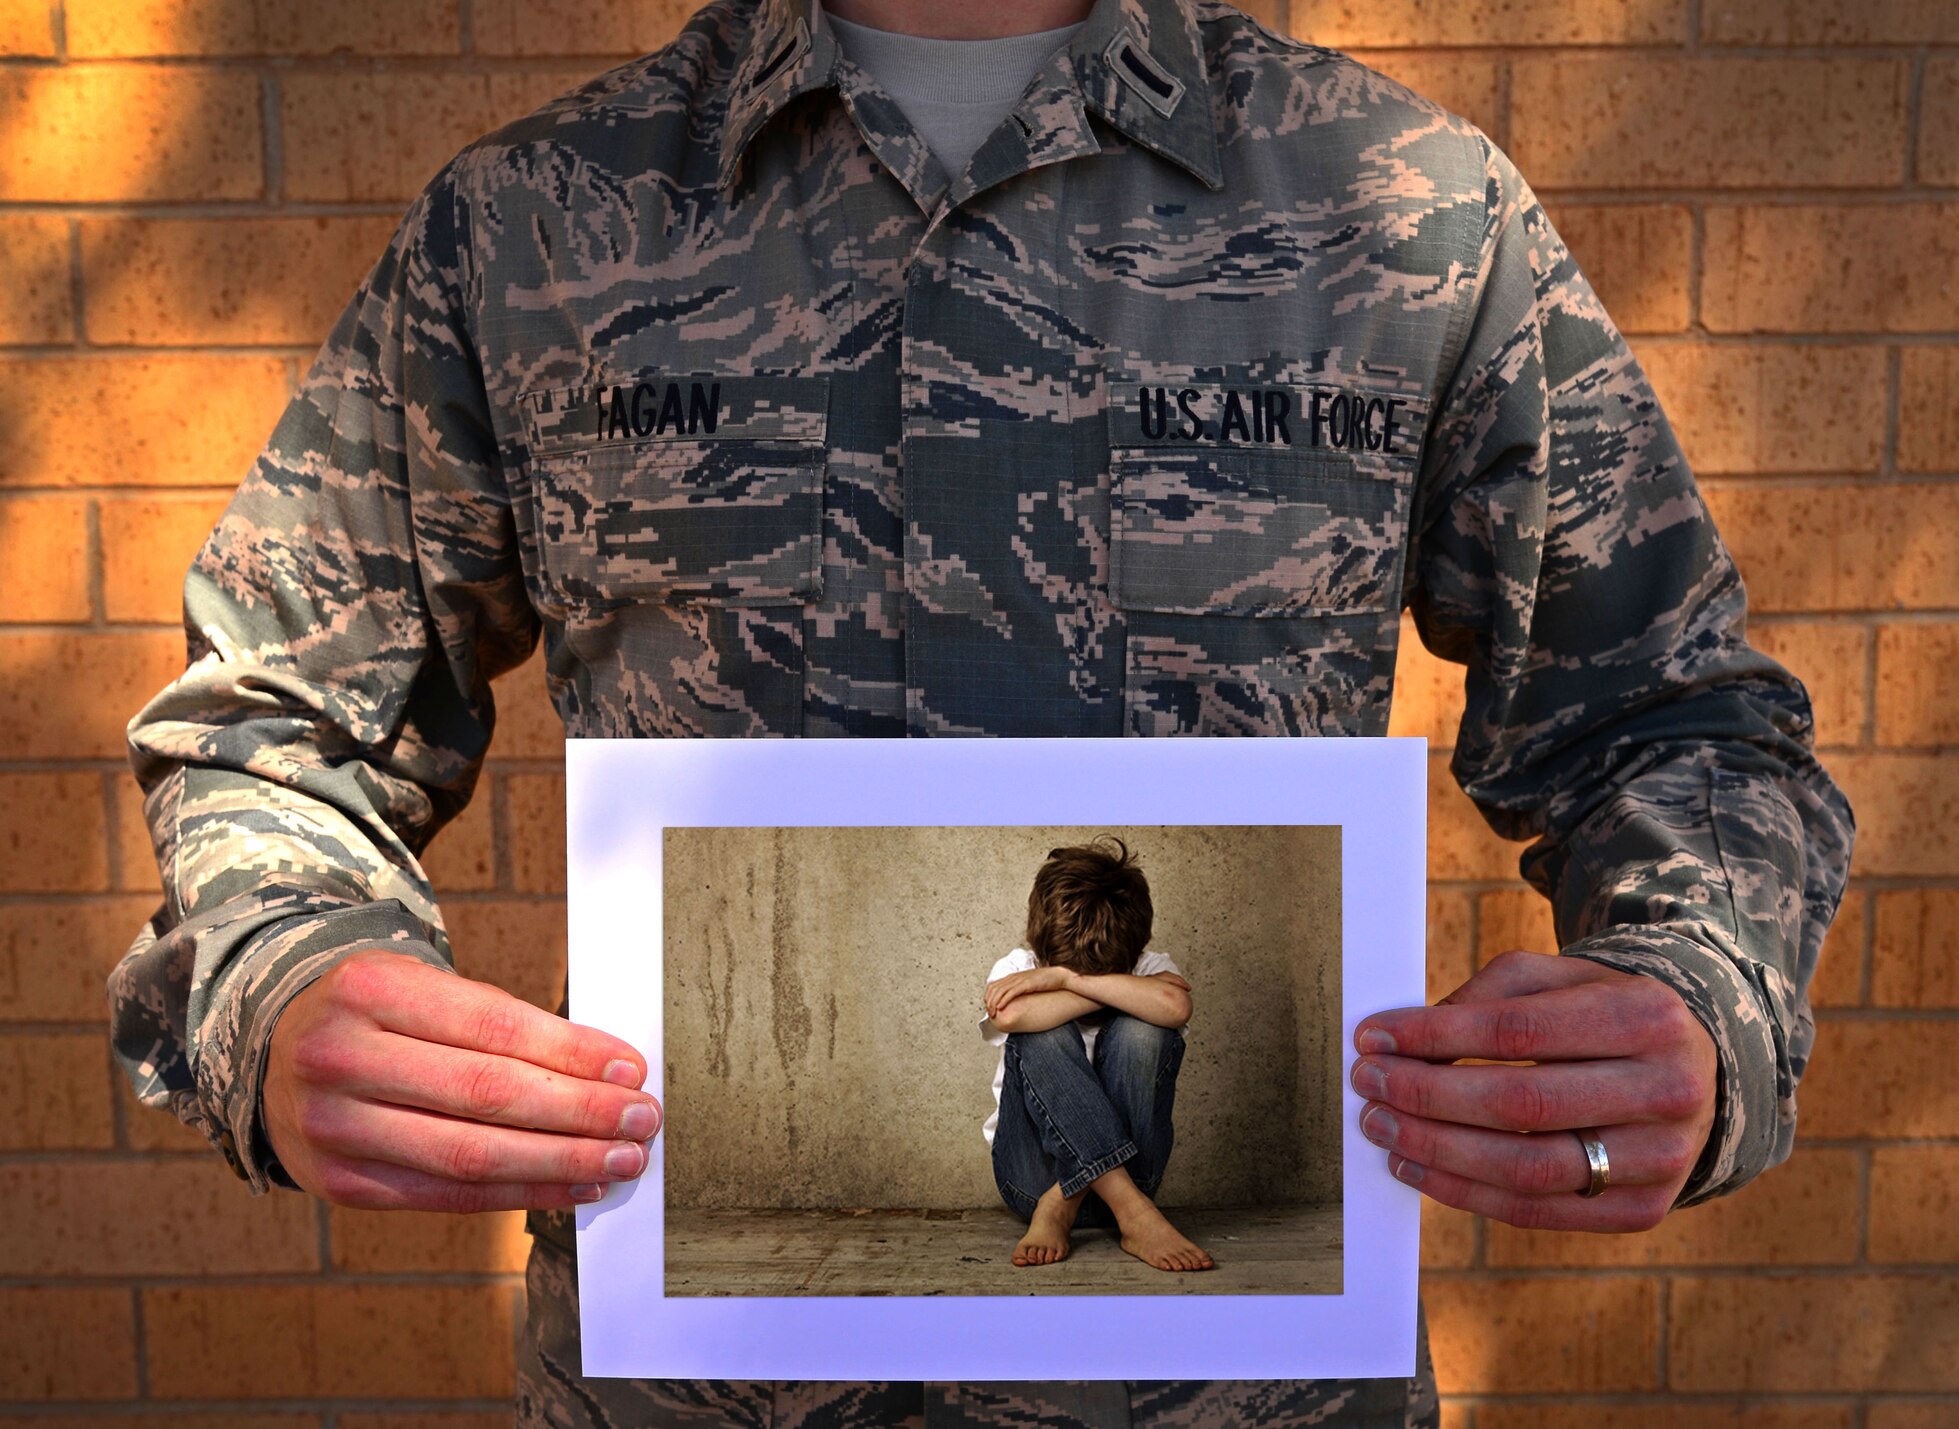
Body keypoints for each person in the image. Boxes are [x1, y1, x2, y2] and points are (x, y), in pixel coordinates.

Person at [103, 0, 1857, 1422]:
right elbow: (277, 724)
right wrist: (289, 968)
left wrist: (1693, 986)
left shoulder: (1412, 211)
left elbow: (1672, 717)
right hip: (699, 1382)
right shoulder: (531, 225)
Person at [978, 838, 1209, 1272]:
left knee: (1145, 1029)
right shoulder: (1019, 968)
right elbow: (1010, 1016)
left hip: (1137, 1176)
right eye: (1063, 970)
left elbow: (1176, 1007)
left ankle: (1065, 1201)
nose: (1070, 976)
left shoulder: (1149, 964)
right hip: (1031, 1181)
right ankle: (1133, 1215)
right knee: (1040, 1033)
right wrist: (1107, 989)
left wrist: (1066, 980)